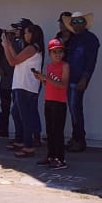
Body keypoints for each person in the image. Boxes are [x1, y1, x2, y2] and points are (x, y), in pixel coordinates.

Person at [3, 21, 45, 158]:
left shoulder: (32, 48)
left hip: (25, 86)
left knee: (24, 116)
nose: (24, 35)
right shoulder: (32, 48)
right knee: (16, 113)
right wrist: (9, 45)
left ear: (32, 34)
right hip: (22, 85)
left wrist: (6, 45)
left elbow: (12, 61)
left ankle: (28, 146)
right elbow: (17, 59)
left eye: (26, 32)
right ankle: (20, 140)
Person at [62, 11, 99, 152]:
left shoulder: (90, 39)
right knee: (73, 110)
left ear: (84, 23)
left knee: (76, 109)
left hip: (78, 80)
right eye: (74, 22)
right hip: (69, 79)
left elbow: (91, 61)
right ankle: (75, 138)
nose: (76, 25)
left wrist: (85, 78)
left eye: (79, 21)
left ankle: (79, 140)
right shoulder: (71, 39)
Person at [36, 38, 70, 169]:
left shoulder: (65, 66)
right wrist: (42, 79)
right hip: (49, 100)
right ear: (50, 54)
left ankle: (60, 159)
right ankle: (51, 156)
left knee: (58, 131)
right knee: (49, 131)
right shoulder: (49, 66)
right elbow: (49, 83)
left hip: (59, 102)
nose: (58, 54)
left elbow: (63, 85)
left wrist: (46, 78)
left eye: (60, 51)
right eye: (54, 52)